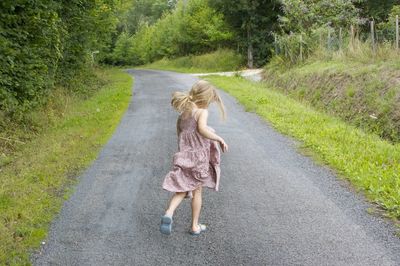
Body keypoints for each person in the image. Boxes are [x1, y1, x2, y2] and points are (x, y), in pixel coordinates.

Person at [160, 80, 228, 236]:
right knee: (197, 192)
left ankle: (169, 213)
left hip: (184, 156)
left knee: (182, 188)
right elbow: (202, 129)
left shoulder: (184, 113)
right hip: (198, 160)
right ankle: (194, 226)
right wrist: (218, 138)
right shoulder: (201, 112)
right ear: (205, 99)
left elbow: (180, 133)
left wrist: (184, 150)